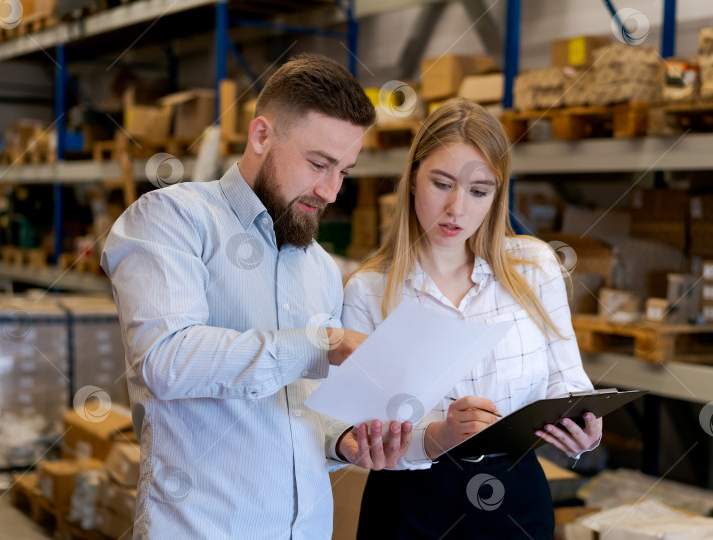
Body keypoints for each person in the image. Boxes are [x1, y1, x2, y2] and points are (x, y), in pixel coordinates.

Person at [101, 54, 412, 540]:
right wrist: (321, 342)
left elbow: (304, 411)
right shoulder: (171, 220)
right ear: (261, 135)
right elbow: (165, 361)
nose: (330, 191)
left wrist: (343, 442)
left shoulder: (321, 268)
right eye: (318, 164)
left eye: (344, 173)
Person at [342, 98, 602, 539]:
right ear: (412, 177)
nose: (456, 209)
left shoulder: (534, 268)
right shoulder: (369, 291)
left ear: (497, 195)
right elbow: (359, 435)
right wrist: (440, 434)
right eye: (441, 183)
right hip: (410, 503)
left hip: (517, 495)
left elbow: (568, 380)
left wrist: (584, 428)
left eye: (478, 191)